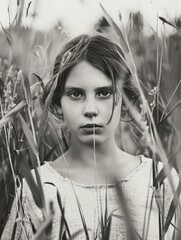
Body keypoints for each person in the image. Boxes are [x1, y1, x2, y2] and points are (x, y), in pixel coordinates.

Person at [1, 34, 178, 240]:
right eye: (76, 94)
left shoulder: (159, 180)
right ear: (57, 103)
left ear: (124, 99)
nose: (91, 110)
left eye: (104, 93)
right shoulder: (38, 188)